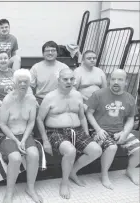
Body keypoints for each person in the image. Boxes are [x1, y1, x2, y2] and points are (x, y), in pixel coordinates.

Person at [36, 69, 102, 199]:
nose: (69, 82)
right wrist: (45, 140)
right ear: (59, 80)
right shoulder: (50, 97)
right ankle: (64, 182)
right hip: (55, 131)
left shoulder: (77, 95)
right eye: (65, 79)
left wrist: (87, 133)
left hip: (76, 130)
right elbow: (39, 119)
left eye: (71, 79)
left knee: (96, 150)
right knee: (70, 151)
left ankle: (73, 171)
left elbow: (82, 117)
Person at [86, 69, 140, 189]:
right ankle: (104, 175)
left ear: (126, 82)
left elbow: (131, 119)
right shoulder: (98, 94)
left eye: (120, 79)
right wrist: (98, 129)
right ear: (109, 80)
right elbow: (88, 113)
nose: (116, 82)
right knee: (112, 147)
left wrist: (125, 133)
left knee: (138, 150)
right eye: (113, 79)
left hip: (120, 131)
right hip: (99, 130)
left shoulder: (129, 98)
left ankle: (130, 170)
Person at [0, 69, 42, 203]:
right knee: (16, 158)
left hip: (25, 134)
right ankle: (9, 192)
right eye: (20, 81)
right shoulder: (8, 100)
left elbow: (31, 121)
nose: (23, 84)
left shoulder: (31, 99)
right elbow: (2, 124)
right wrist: (17, 142)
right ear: (14, 83)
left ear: (29, 83)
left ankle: (30, 188)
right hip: (8, 135)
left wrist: (23, 139)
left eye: (26, 81)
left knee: (34, 155)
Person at [30, 41, 69, 105]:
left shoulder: (64, 68)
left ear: (57, 53)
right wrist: (32, 100)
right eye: (47, 51)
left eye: (53, 50)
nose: (50, 53)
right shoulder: (36, 67)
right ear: (43, 53)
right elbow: (29, 87)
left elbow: (71, 86)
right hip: (40, 100)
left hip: (59, 100)